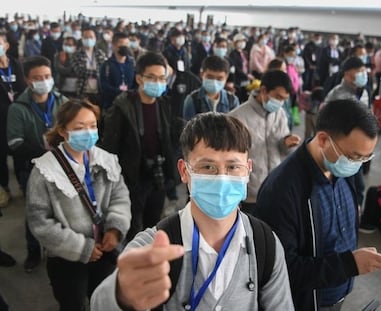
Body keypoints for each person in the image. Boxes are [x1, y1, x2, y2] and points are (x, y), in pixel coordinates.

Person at [91, 112, 294, 311]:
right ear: (184, 171)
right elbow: (100, 304)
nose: (222, 179)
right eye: (207, 166)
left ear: (248, 170)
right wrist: (121, 295)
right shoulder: (151, 248)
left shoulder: (265, 245)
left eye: (233, 167)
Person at [255, 99, 381, 311]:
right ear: (323, 139)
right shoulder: (282, 191)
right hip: (306, 302)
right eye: (354, 157)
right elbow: (283, 269)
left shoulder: (342, 168)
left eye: (365, 158)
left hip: (337, 290)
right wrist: (350, 264)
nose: (357, 164)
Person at [26, 99, 131, 311]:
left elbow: (120, 195)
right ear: (64, 131)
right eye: (80, 128)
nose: (89, 132)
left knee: (103, 299)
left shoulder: (106, 160)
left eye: (93, 126)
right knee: (72, 303)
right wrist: (81, 248)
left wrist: (114, 228)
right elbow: (39, 221)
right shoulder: (45, 170)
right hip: (67, 257)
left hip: (104, 250)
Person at [100, 52, 176, 242]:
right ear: (139, 78)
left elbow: (170, 140)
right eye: (151, 77)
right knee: (132, 226)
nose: (157, 82)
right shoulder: (122, 107)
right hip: (131, 178)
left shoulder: (165, 105)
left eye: (162, 78)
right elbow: (110, 146)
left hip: (157, 177)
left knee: (154, 225)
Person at [7, 55, 68, 272]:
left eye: (47, 76)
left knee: (63, 209)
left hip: (63, 168)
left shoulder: (63, 103)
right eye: (38, 77)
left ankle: (61, 248)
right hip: (32, 169)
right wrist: (45, 153)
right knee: (34, 211)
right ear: (27, 80)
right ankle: (33, 251)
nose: (44, 81)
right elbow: (15, 143)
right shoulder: (18, 109)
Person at [229, 70, 301, 214]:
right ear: (263, 90)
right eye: (277, 97)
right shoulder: (237, 117)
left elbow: (281, 149)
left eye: (284, 99)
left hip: (275, 190)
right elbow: (230, 161)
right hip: (249, 195)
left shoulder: (280, 114)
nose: (280, 103)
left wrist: (287, 144)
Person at [324, 57, 370, 206]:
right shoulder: (338, 95)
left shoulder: (363, 92)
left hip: (358, 149)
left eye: (364, 71)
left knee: (359, 186)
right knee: (344, 186)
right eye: (360, 71)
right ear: (348, 73)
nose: (364, 74)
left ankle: (356, 214)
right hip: (342, 152)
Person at [0, 32, 26, 207]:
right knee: (1, 155)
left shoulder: (16, 64)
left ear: (6, 45)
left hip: (16, 116)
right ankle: (4, 189)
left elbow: (22, 87)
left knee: (19, 152)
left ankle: (24, 185)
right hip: (0, 118)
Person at [183, 55, 240, 121]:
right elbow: (188, 129)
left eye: (219, 78)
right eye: (210, 77)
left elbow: (235, 128)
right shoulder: (192, 100)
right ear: (202, 74)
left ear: (226, 77)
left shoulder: (232, 101)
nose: (214, 82)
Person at [99, 32, 135, 111]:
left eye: (127, 44)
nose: (125, 47)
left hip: (129, 105)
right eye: (122, 44)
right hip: (111, 105)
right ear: (114, 45)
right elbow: (104, 86)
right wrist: (120, 92)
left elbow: (136, 83)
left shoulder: (132, 64)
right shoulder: (106, 65)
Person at [70, 27, 106, 105]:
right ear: (82, 38)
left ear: (95, 38)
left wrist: (92, 72)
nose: (88, 39)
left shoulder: (100, 54)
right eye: (86, 37)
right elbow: (80, 72)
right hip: (83, 90)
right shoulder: (76, 55)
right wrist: (97, 73)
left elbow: (105, 71)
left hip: (98, 90)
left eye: (91, 37)